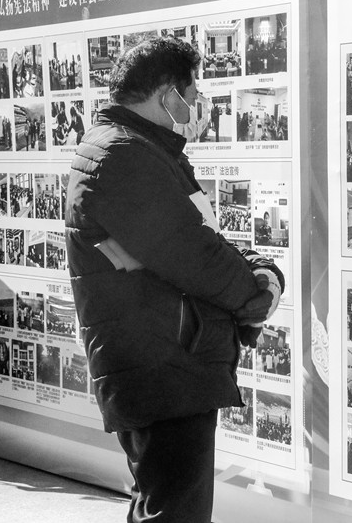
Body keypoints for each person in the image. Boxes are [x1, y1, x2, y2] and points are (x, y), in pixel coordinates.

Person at [65, 37, 284, 523]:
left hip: (164, 360)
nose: (198, 104)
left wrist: (260, 270)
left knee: (163, 505)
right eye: (192, 93)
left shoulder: (137, 148)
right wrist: (258, 293)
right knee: (174, 512)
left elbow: (200, 233)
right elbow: (194, 255)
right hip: (163, 365)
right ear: (167, 96)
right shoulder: (123, 156)